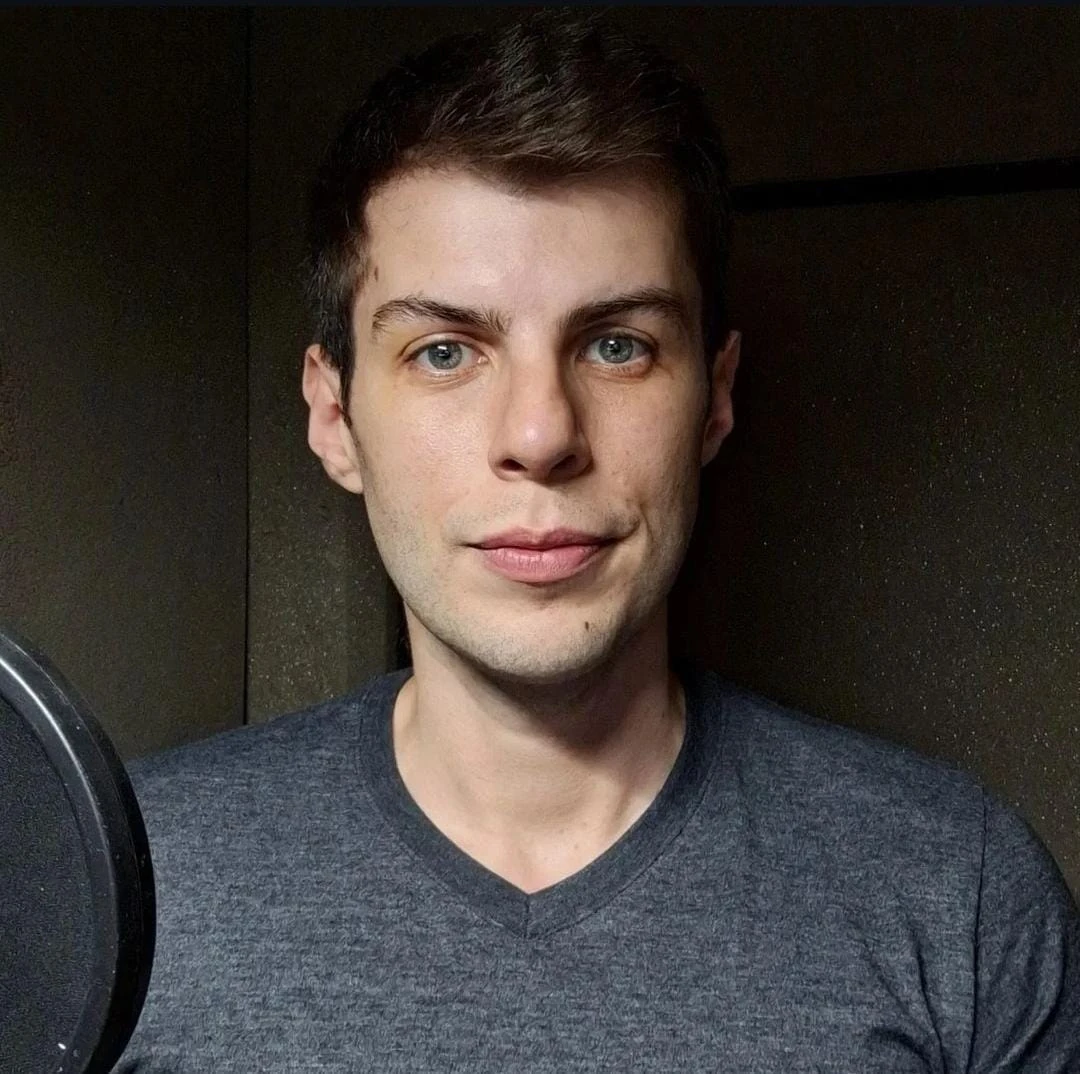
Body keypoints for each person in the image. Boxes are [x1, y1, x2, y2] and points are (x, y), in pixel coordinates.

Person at [120, 11, 1079, 1072]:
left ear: (715, 399)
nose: (541, 436)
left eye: (618, 345)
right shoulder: (129, 881)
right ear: (335, 417)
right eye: (445, 352)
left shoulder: (958, 899)